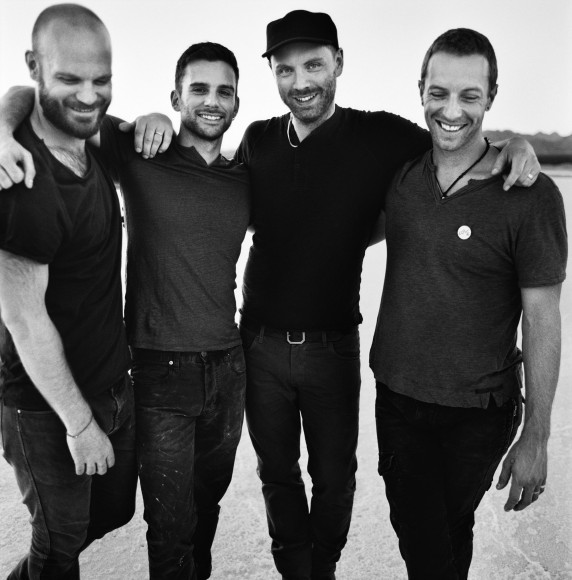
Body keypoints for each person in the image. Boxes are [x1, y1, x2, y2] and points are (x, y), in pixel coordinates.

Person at [234, 10, 541, 580]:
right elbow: (224, 199)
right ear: (273, 74)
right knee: (276, 472)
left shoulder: (380, 136)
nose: (301, 82)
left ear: (338, 64)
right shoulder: (257, 140)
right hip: (259, 343)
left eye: (314, 66)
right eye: (286, 70)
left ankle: (322, 566)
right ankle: (296, 571)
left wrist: (514, 144)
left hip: (332, 346)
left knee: (335, 477)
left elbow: (456, 138)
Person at [0, 43, 249, 580]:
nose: (212, 101)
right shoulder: (139, 149)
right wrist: (0, 131)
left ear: (236, 102)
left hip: (230, 369)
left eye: (224, 91)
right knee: (169, 524)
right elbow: (41, 103)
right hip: (160, 370)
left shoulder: (245, 176)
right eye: (198, 89)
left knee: (206, 506)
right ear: (176, 97)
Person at [369, 28, 567, 579]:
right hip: (397, 399)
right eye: (439, 93)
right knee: (434, 536)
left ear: (491, 97)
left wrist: (537, 435)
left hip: (480, 411)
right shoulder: (402, 177)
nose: (451, 111)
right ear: (421, 90)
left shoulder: (529, 197)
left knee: (438, 538)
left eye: (469, 95)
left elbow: (542, 319)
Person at [0, 4, 136, 579]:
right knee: (59, 548)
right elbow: (25, 321)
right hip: (45, 407)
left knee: (112, 512)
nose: (88, 95)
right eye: (69, 79)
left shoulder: (86, 134)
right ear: (35, 66)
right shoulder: (22, 183)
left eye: (101, 79)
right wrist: (79, 426)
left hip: (110, 382)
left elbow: (17, 96)